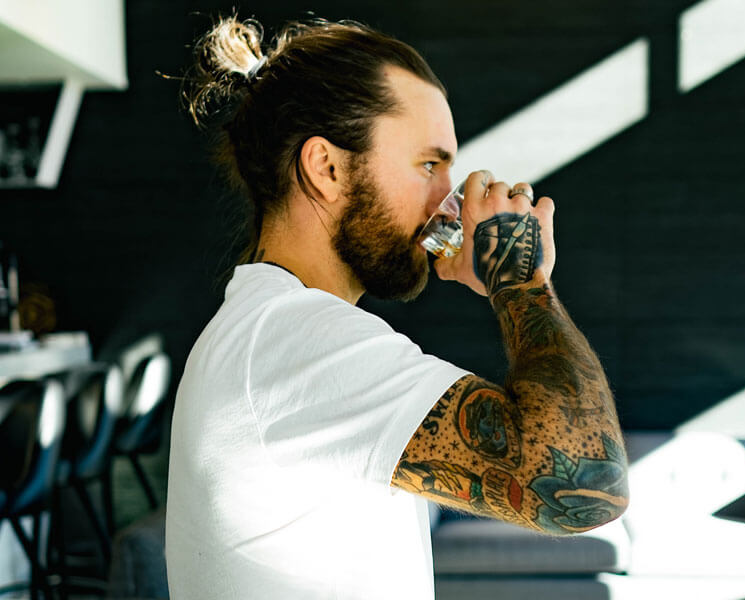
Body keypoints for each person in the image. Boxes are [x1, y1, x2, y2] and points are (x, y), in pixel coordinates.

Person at [165, 14, 629, 600]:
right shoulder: (295, 338)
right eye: (429, 165)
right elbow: (585, 486)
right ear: (327, 168)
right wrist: (519, 280)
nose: (448, 203)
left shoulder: (270, 330)